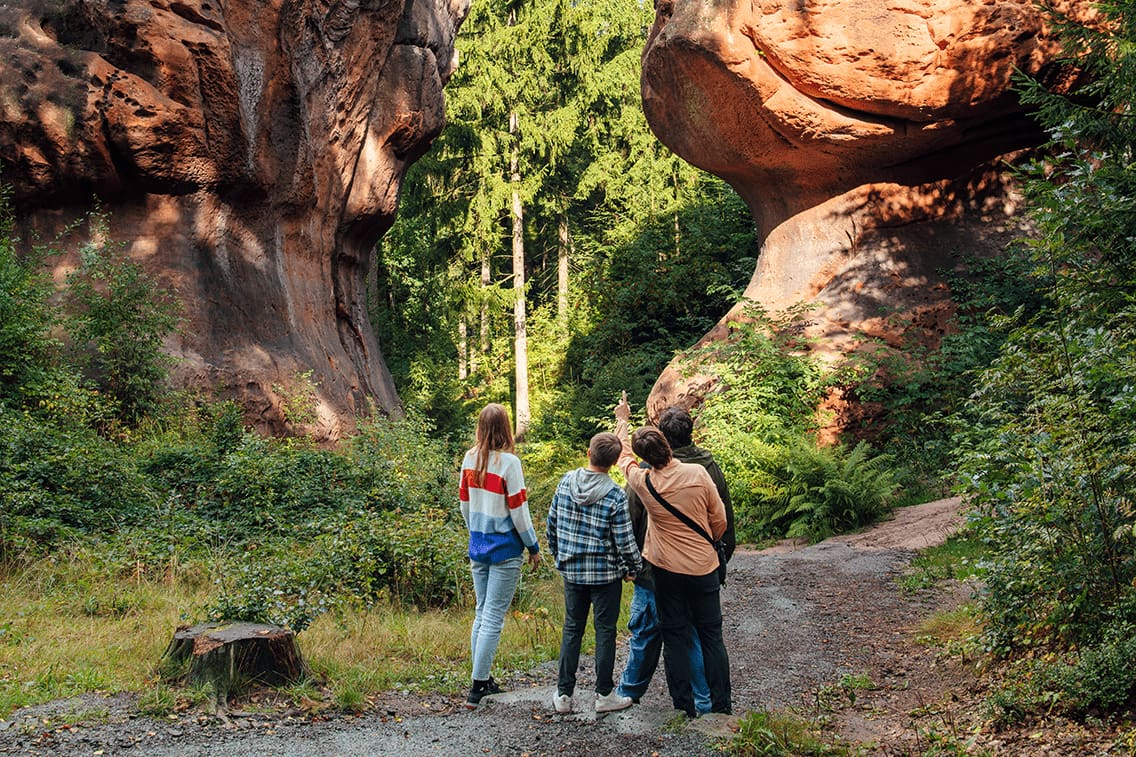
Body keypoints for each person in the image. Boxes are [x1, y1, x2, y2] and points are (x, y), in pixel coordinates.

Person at [614, 393, 732, 717]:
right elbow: (720, 522)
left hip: (665, 572)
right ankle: (720, 705)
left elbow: (623, 457)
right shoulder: (699, 474)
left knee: (676, 637)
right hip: (703, 568)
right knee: (711, 637)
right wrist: (710, 545)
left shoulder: (644, 481)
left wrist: (622, 419)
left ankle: (684, 707)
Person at [546, 432, 643, 715]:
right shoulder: (614, 494)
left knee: (572, 629)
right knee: (605, 632)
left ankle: (563, 695)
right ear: (614, 463)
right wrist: (632, 568)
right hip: (605, 577)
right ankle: (603, 694)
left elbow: (552, 525)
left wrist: (560, 556)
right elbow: (624, 541)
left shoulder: (565, 482)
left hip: (572, 572)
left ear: (588, 454)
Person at [459, 403, 541, 708]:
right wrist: (532, 546)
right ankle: (478, 686)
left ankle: (481, 677)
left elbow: (464, 505)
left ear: (481, 427)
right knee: (493, 615)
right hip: (505, 548)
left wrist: (475, 531)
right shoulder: (509, 463)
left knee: (482, 612)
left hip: (478, 544)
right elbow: (519, 510)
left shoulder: (470, 458)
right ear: (506, 428)